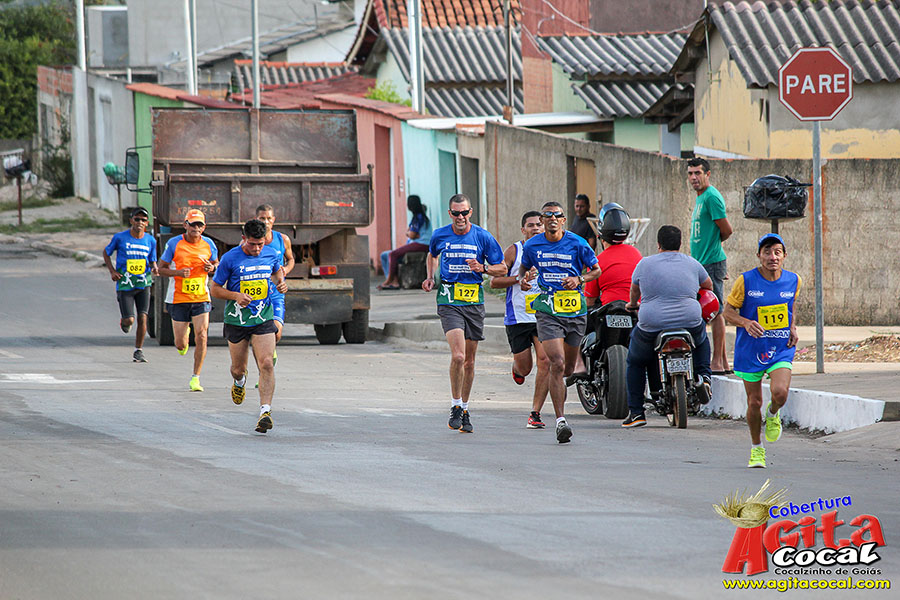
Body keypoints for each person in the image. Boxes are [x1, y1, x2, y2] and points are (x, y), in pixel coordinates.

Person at [423, 194, 505, 434]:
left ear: (471, 212)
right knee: (458, 356)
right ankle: (455, 405)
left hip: (474, 302)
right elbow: (432, 254)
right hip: (449, 300)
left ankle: (466, 409)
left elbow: (502, 268)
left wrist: (483, 268)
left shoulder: (482, 236)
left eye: (464, 213)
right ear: (450, 214)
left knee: (469, 361)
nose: (460, 217)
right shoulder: (440, 235)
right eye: (456, 213)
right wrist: (430, 277)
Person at [519, 201, 601, 443]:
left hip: (575, 311)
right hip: (547, 310)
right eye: (548, 215)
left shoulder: (578, 243)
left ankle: (561, 392)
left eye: (557, 215)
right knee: (555, 362)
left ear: (563, 220)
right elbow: (524, 268)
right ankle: (560, 421)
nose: (553, 219)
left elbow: (596, 270)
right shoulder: (533, 245)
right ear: (542, 220)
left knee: (567, 368)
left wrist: (579, 279)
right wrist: (524, 279)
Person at [622, 225, 712, 428]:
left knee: (635, 361)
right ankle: (705, 378)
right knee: (701, 341)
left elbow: (634, 290)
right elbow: (708, 286)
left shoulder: (644, 263)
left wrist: (633, 304)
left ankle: (636, 413)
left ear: (658, 244)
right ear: (680, 243)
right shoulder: (692, 263)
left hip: (652, 323)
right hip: (689, 320)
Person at [723, 233, 800, 468]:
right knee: (754, 402)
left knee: (780, 393)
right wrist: (746, 323)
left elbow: (791, 305)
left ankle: (774, 413)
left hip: (780, 347)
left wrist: (793, 326)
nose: (772, 257)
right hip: (751, 349)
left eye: (777, 252)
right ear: (759, 255)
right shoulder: (745, 281)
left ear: (784, 256)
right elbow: (727, 312)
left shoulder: (794, 280)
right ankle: (757, 449)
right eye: (767, 252)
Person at [210, 219, 287, 434]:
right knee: (238, 369)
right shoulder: (230, 258)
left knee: (267, 363)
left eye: (260, 244)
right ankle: (240, 381)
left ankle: (265, 412)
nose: (257, 249)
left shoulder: (271, 253)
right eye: (252, 244)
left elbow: (277, 271)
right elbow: (215, 289)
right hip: (237, 320)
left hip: (263, 317)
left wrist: (280, 283)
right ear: (244, 238)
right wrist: (235, 296)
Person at [566, 204, 643, 384]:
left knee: (572, 324)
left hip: (607, 311)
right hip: (636, 311)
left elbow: (590, 299)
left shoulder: (597, 261)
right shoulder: (637, 255)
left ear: (600, 235)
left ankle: (579, 365)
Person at [489, 210, 550, 429]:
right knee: (525, 368)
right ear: (523, 230)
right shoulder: (514, 251)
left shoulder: (550, 250)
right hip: (518, 318)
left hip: (544, 315)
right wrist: (519, 278)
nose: (535, 228)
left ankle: (535, 413)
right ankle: (517, 369)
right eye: (531, 225)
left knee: (546, 361)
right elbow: (494, 282)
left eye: (539, 225)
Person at [158, 209, 219, 392]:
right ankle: (184, 337)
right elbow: (161, 269)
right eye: (193, 224)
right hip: (178, 298)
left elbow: (216, 263)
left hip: (201, 297)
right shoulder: (174, 243)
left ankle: (196, 377)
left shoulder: (209, 244)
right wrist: (177, 272)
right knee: (180, 343)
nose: (196, 228)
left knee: (202, 335)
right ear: (185, 225)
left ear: (204, 227)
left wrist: (211, 268)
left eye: (199, 225)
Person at [687, 157, 733, 374]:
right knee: (711, 311)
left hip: (711, 262)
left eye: (698, 173)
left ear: (707, 174)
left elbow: (726, 230)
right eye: (690, 173)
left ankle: (717, 362)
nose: (694, 177)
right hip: (702, 262)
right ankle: (722, 362)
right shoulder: (701, 197)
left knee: (715, 311)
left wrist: (713, 247)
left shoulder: (712, 196)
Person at [102, 206, 158, 363]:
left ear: (147, 223)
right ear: (131, 221)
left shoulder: (150, 240)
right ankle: (124, 321)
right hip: (125, 284)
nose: (140, 222)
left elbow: (152, 259)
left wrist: (154, 267)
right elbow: (106, 252)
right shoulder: (120, 238)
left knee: (143, 317)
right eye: (137, 219)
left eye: (143, 220)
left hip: (143, 283)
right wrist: (112, 271)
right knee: (130, 320)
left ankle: (138, 350)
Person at [255, 204, 295, 345]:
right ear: (256, 219)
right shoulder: (250, 242)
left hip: (276, 292)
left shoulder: (283, 239)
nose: (266, 222)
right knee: (258, 333)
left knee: (276, 332)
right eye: (262, 218)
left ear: (274, 219)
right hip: (257, 293)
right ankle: (264, 354)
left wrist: (286, 270)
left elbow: (290, 259)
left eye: (269, 218)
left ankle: (268, 352)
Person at [378, 195, 433, 290]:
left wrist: (409, 233)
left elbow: (412, 234)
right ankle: (394, 282)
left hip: (422, 244)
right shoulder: (419, 218)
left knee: (393, 254)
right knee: (388, 255)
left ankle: (389, 280)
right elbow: (412, 233)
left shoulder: (418, 218)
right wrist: (410, 233)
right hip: (420, 243)